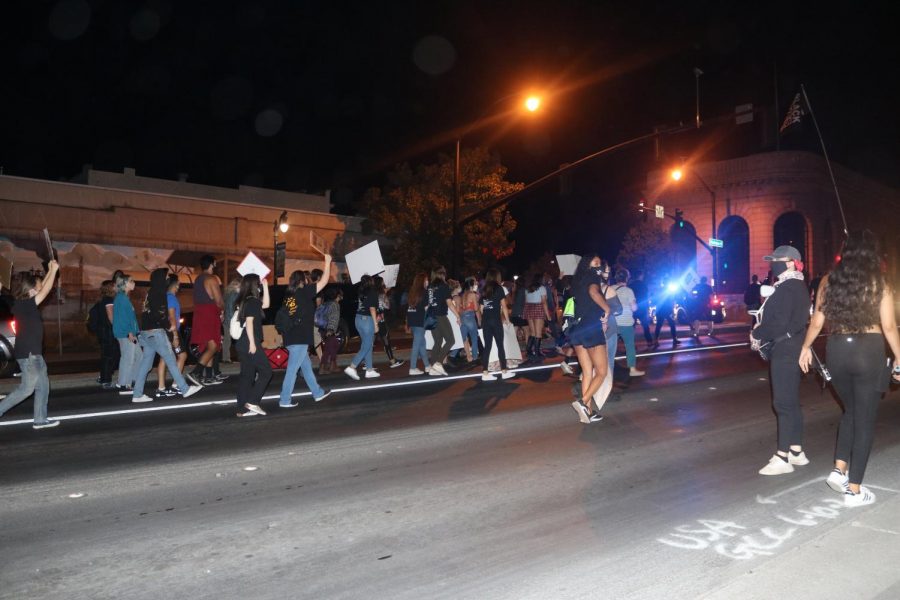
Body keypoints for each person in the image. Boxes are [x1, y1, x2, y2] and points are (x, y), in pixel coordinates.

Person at [799, 231, 900, 506]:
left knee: (851, 411)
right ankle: (854, 490)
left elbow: (817, 321)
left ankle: (839, 468)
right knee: (864, 419)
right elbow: (889, 326)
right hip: (868, 350)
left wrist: (805, 347)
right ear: (872, 254)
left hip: (837, 349)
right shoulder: (879, 283)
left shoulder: (829, 281)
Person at [750, 245, 811, 476]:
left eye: (777, 260)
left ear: (791, 262)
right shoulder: (797, 285)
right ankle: (796, 450)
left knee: (783, 404)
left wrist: (757, 333)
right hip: (793, 347)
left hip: (785, 350)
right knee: (792, 401)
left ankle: (782, 456)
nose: (773, 263)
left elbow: (779, 322)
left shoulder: (786, 287)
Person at [0, 261, 60, 428]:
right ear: (31, 289)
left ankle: (40, 420)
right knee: (26, 389)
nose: (41, 287)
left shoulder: (25, 305)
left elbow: (44, 287)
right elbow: (46, 289)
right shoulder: (25, 305)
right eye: (38, 285)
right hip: (29, 355)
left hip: (33, 354)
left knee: (43, 387)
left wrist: (50, 270)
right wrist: (53, 271)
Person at [131, 269, 203, 403]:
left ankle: (137, 394)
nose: (166, 280)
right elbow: (159, 314)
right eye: (165, 277)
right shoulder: (159, 293)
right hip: (156, 332)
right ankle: (185, 389)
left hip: (146, 332)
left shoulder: (150, 293)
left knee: (145, 364)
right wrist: (168, 326)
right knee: (171, 360)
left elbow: (147, 313)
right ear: (160, 279)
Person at [278, 258, 333, 407]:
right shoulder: (305, 292)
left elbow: (289, 315)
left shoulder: (289, 296)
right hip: (300, 338)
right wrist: (327, 262)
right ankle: (284, 399)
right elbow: (324, 281)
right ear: (303, 281)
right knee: (292, 370)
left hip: (290, 336)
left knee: (306, 366)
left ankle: (317, 393)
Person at [568, 255, 611, 424]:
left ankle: (588, 411)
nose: (599, 265)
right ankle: (582, 402)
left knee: (587, 372)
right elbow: (594, 292)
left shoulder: (577, 280)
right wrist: (607, 310)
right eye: (596, 262)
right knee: (601, 372)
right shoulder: (593, 277)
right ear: (588, 264)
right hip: (591, 329)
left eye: (600, 262)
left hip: (577, 330)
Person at [235, 274, 271, 416]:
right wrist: (252, 343)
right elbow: (249, 322)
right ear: (254, 285)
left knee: (247, 376)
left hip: (242, 343)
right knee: (266, 372)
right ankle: (253, 402)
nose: (260, 286)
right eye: (259, 284)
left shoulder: (245, 301)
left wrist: (266, 286)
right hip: (250, 341)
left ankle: (241, 409)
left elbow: (266, 304)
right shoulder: (253, 301)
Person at [189, 255, 225, 386]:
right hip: (209, 313)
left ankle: (209, 376)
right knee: (214, 345)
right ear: (212, 264)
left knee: (209, 345)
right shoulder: (211, 279)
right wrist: (222, 311)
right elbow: (219, 300)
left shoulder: (198, 279)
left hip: (199, 313)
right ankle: (196, 372)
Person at [479, 268, 515, 381]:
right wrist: (508, 320)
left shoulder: (483, 289)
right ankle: (504, 371)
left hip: (486, 320)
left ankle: (485, 372)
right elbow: (504, 306)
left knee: (487, 346)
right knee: (500, 345)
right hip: (495, 320)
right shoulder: (499, 288)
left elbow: (480, 309)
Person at [344, 274, 380, 380]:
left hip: (358, 319)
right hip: (367, 320)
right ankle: (352, 366)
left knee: (366, 345)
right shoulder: (372, 291)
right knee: (367, 345)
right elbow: (372, 309)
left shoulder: (361, 291)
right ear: (371, 282)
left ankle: (369, 370)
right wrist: (375, 324)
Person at [112, 273, 143, 394]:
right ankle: (124, 384)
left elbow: (128, 317)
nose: (133, 282)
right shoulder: (121, 298)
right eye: (131, 281)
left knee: (139, 356)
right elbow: (123, 318)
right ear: (125, 284)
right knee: (128, 358)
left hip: (130, 333)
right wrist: (129, 333)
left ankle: (130, 381)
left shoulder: (124, 298)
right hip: (126, 334)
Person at [612, 268, 645, 377]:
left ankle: (606, 369)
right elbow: (634, 308)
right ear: (627, 278)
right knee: (629, 346)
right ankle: (632, 369)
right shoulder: (628, 291)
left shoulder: (609, 289)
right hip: (626, 323)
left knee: (610, 347)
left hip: (612, 323)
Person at [427, 266, 456, 376]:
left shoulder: (430, 287)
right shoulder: (444, 286)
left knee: (438, 342)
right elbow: (449, 303)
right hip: (440, 316)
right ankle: (438, 363)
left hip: (431, 316)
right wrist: (458, 316)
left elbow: (427, 304)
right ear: (442, 274)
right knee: (450, 340)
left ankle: (433, 367)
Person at [91, 279, 118, 389]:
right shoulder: (108, 300)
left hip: (103, 332)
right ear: (110, 288)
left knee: (107, 355)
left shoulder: (103, 300)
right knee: (110, 356)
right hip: (108, 332)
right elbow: (111, 318)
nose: (117, 287)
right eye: (115, 286)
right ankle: (106, 381)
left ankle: (103, 377)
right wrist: (118, 329)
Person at [374, 275, 405, 369]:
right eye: (383, 282)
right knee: (386, 340)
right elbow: (387, 306)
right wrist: (386, 294)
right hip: (381, 320)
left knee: (370, 342)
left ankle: (366, 364)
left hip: (372, 320)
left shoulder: (371, 293)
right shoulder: (381, 294)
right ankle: (392, 361)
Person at [406, 272, 432, 376]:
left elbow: (408, 308)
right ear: (422, 281)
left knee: (422, 344)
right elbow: (426, 308)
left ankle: (427, 366)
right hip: (420, 320)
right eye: (426, 280)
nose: (427, 282)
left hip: (412, 320)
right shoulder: (424, 292)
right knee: (417, 344)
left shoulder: (412, 292)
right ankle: (412, 368)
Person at [524, 273, 551, 357]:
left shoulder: (527, 289)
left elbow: (526, 300)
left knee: (532, 333)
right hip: (538, 307)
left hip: (528, 308)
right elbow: (544, 302)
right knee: (538, 333)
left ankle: (528, 352)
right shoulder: (542, 288)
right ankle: (537, 353)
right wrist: (548, 315)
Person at [318, 288, 342, 374]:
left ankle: (331, 365)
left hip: (322, 328)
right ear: (337, 295)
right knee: (330, 347)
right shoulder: (335, 305)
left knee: (333, 345)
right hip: (328, 329)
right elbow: (333, 318)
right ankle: (324, 367)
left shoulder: (325, 303)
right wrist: (331, 330)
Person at [629, 270, 653, 349]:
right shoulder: (643, 285)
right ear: (640, 276)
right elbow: (647, 296)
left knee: (632, 327)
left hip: (633, 307)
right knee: (645, 326)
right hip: (642, 308)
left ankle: (631, 344)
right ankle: (649, 342)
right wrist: (648, 306)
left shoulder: (631, 285)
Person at [459, 277, 480, 364]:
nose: (476, 285)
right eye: (475, 283)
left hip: (462, 317)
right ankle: (474, 357)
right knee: (474, 338)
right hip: (470, 317)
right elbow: (475, 308)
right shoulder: (472, 295)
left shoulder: (463, 295)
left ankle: (468, 357)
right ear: (472, 285)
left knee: (465, 338)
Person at [653, 280, 679, 348]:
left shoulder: (659, 290)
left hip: (660, 310)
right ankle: (674, 339)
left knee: (659, 325)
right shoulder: (670, 291)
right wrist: (673, 310)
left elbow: (655, 300)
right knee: (672, 324)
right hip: (667, 310)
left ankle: (656, 340)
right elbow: (672, 301)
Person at [221, 276, 242, 363]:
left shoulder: (227, 294)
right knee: (239, 338)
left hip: (226, 319)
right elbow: (233, 308)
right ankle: (241, 357)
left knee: (227, 340)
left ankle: (225, 358)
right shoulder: (235, 294)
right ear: (236, 285)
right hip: (232, 320)